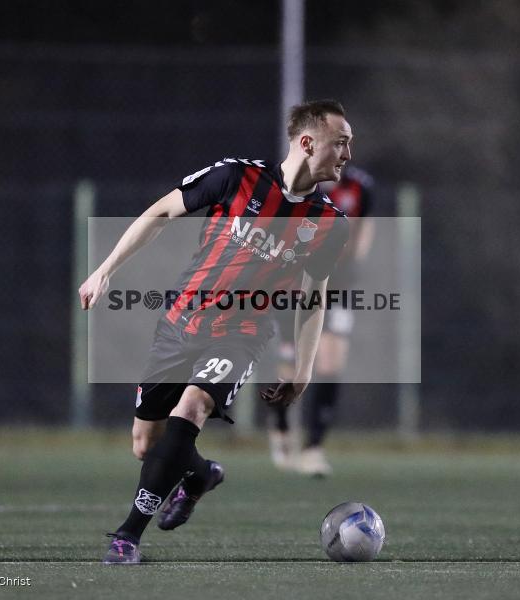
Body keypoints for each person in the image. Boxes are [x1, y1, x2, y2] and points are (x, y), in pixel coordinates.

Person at [79, 99, 353, 564]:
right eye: (341, 143)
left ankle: (127, 537)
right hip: (179, 323)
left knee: (192, 408)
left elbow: (313, 297)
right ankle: (201, 475)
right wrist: (105, 270)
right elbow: (161, 213)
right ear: (308, 142)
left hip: (242, 333)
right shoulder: (236, 177)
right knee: (146, 444)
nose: (347, 154)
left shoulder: (329, 223)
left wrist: (303, 370)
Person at [267, 166, 375, 477]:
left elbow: (363, 227)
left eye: (346, 143)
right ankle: (281, 425)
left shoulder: (359, 186)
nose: (342, 151)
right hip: (294, 281)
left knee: (330, 362)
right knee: (290, 364)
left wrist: (354, 264)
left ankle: (313, 448)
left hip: (338, 282)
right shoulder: (292, 183)